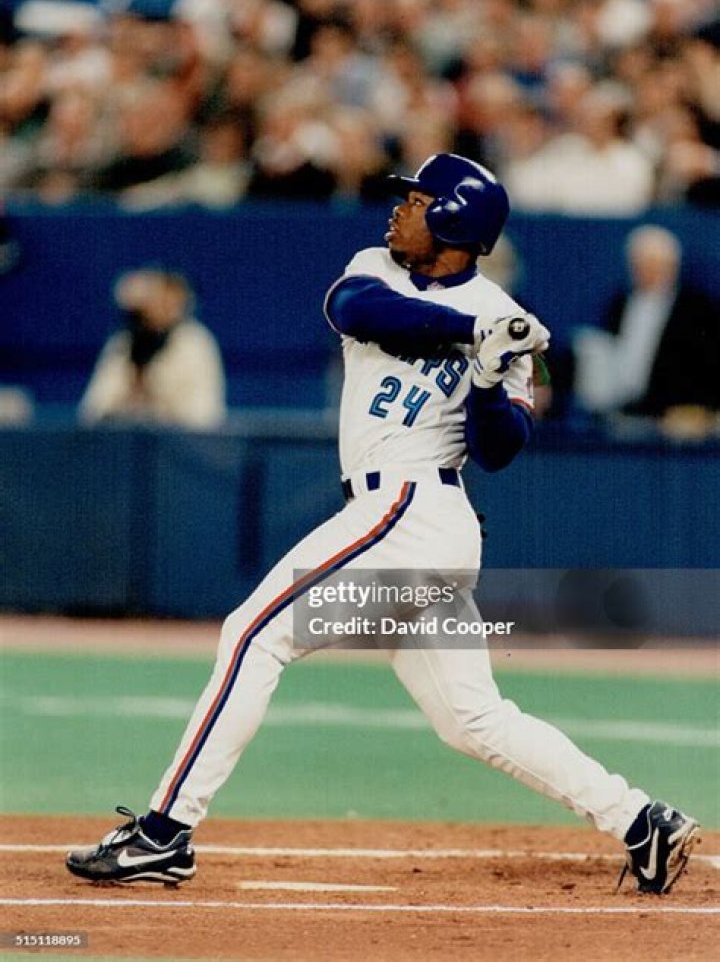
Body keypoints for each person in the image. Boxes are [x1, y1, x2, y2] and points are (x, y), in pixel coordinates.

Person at [66, 154, 699, 894]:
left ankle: (164, 833)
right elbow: (356, 309)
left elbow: (501, 448)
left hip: (414, 513)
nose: (399, 209)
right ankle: (640, 820)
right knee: (472, 719)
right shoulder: (381, 270)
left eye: (418, 201)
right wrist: (476, 331)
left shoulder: (508, 324)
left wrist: (491, 374)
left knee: (253, 635)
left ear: (456, 220)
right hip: (406, 524)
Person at [573, 225, 720, 431]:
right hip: (623, 415)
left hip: (673, 420)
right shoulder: (619, 303)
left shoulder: (697, 309)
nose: (647, 272)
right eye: (640, 265)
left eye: (655, 265)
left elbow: (709, 365)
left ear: (673, 266)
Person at [79, 268, 227, 429]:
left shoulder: (196, 343)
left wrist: (157, 411)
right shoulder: (123, 343)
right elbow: (93, 409)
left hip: (180, 440)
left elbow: (204, 414)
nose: (158, 308)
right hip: (126, 439)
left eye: (166, 301)